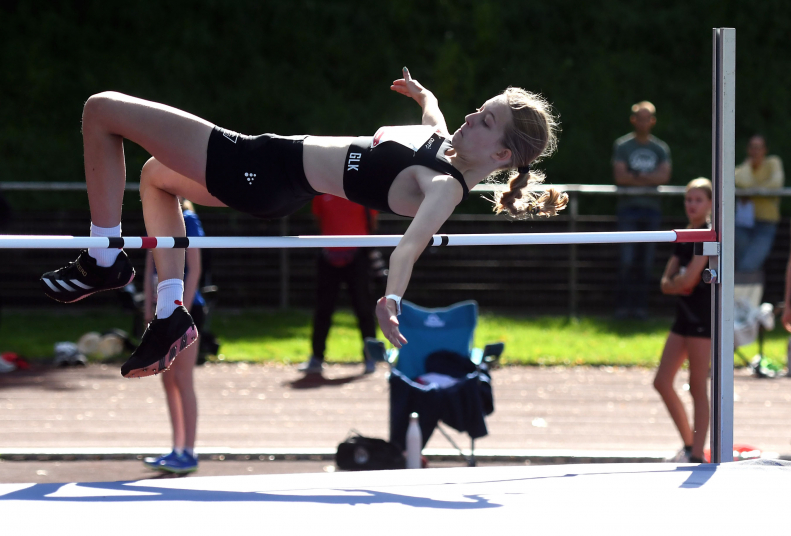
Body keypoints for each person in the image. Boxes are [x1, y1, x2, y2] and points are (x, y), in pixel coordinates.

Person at [39, 67, 567, 379]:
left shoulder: (444, 187)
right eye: (479, 108)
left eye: (487, 120)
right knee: (156, 178)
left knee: (101, 109)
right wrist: (422, 94)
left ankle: (105, 258)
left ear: (500, 154)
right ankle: (171, 310)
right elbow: (434, 114)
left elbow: (408, 248)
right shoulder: (443, 143)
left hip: (263, 169)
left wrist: (392, 301)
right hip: (277, 176)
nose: (472, 117)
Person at [142, 197, 205, 473]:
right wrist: (148, 309)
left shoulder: (188, 220)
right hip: (161, 311)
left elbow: (195, 269)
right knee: (168, 381)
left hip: (184, 310)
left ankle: (189, 451)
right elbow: (149, 269)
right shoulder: (155, 219)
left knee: (183, 378)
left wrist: (182, 312)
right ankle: (176, 448)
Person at [653, 178, 712, 464]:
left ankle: (698, 454)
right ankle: (689, 445)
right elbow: (666, 283)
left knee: (697, 384)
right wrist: (678, 282)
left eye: (698, 200)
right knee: (662, 381)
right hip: (683, 316)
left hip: (703, 319)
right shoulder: (685, 234)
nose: (692, 205)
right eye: (689, 199)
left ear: (711, 204)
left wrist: (679, 281)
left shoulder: (706, 234)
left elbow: (689, 279)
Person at [298, 195, 378, 376]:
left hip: (358, 256)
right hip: (327, 256)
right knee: (323, 309)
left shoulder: (363, 191)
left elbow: (372, 222)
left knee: (364, 308)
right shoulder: (320, 193)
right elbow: (319, 220)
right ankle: (316, 358)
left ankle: (370, 357)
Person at [612, 101, 672, 320]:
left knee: (646, 262)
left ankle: (641, 309)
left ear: (653, 121)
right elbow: (620, 177)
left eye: (648, 118)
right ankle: (622, 308)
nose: (644, 122)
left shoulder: (660, 148)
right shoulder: (623, 145)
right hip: (628, 210)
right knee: (626, 260)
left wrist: (634, 176)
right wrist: (648, 179)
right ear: (633, 120)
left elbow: (664, 177)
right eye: (640, 117)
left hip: (652, 211)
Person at [734, 135, 784, 273]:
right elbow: (741, 182)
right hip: (743, 225)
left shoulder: (773, 162)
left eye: (758, 147)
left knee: (749, 265)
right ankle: (742, 294)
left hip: (766, 225)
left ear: (765, 150)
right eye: (752, 147)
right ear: (748, 150)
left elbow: (776, 184)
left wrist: (751, 191)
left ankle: (742, 294)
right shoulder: (742, 168)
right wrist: (748, 165)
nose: (755, 151)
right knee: (741, 262)